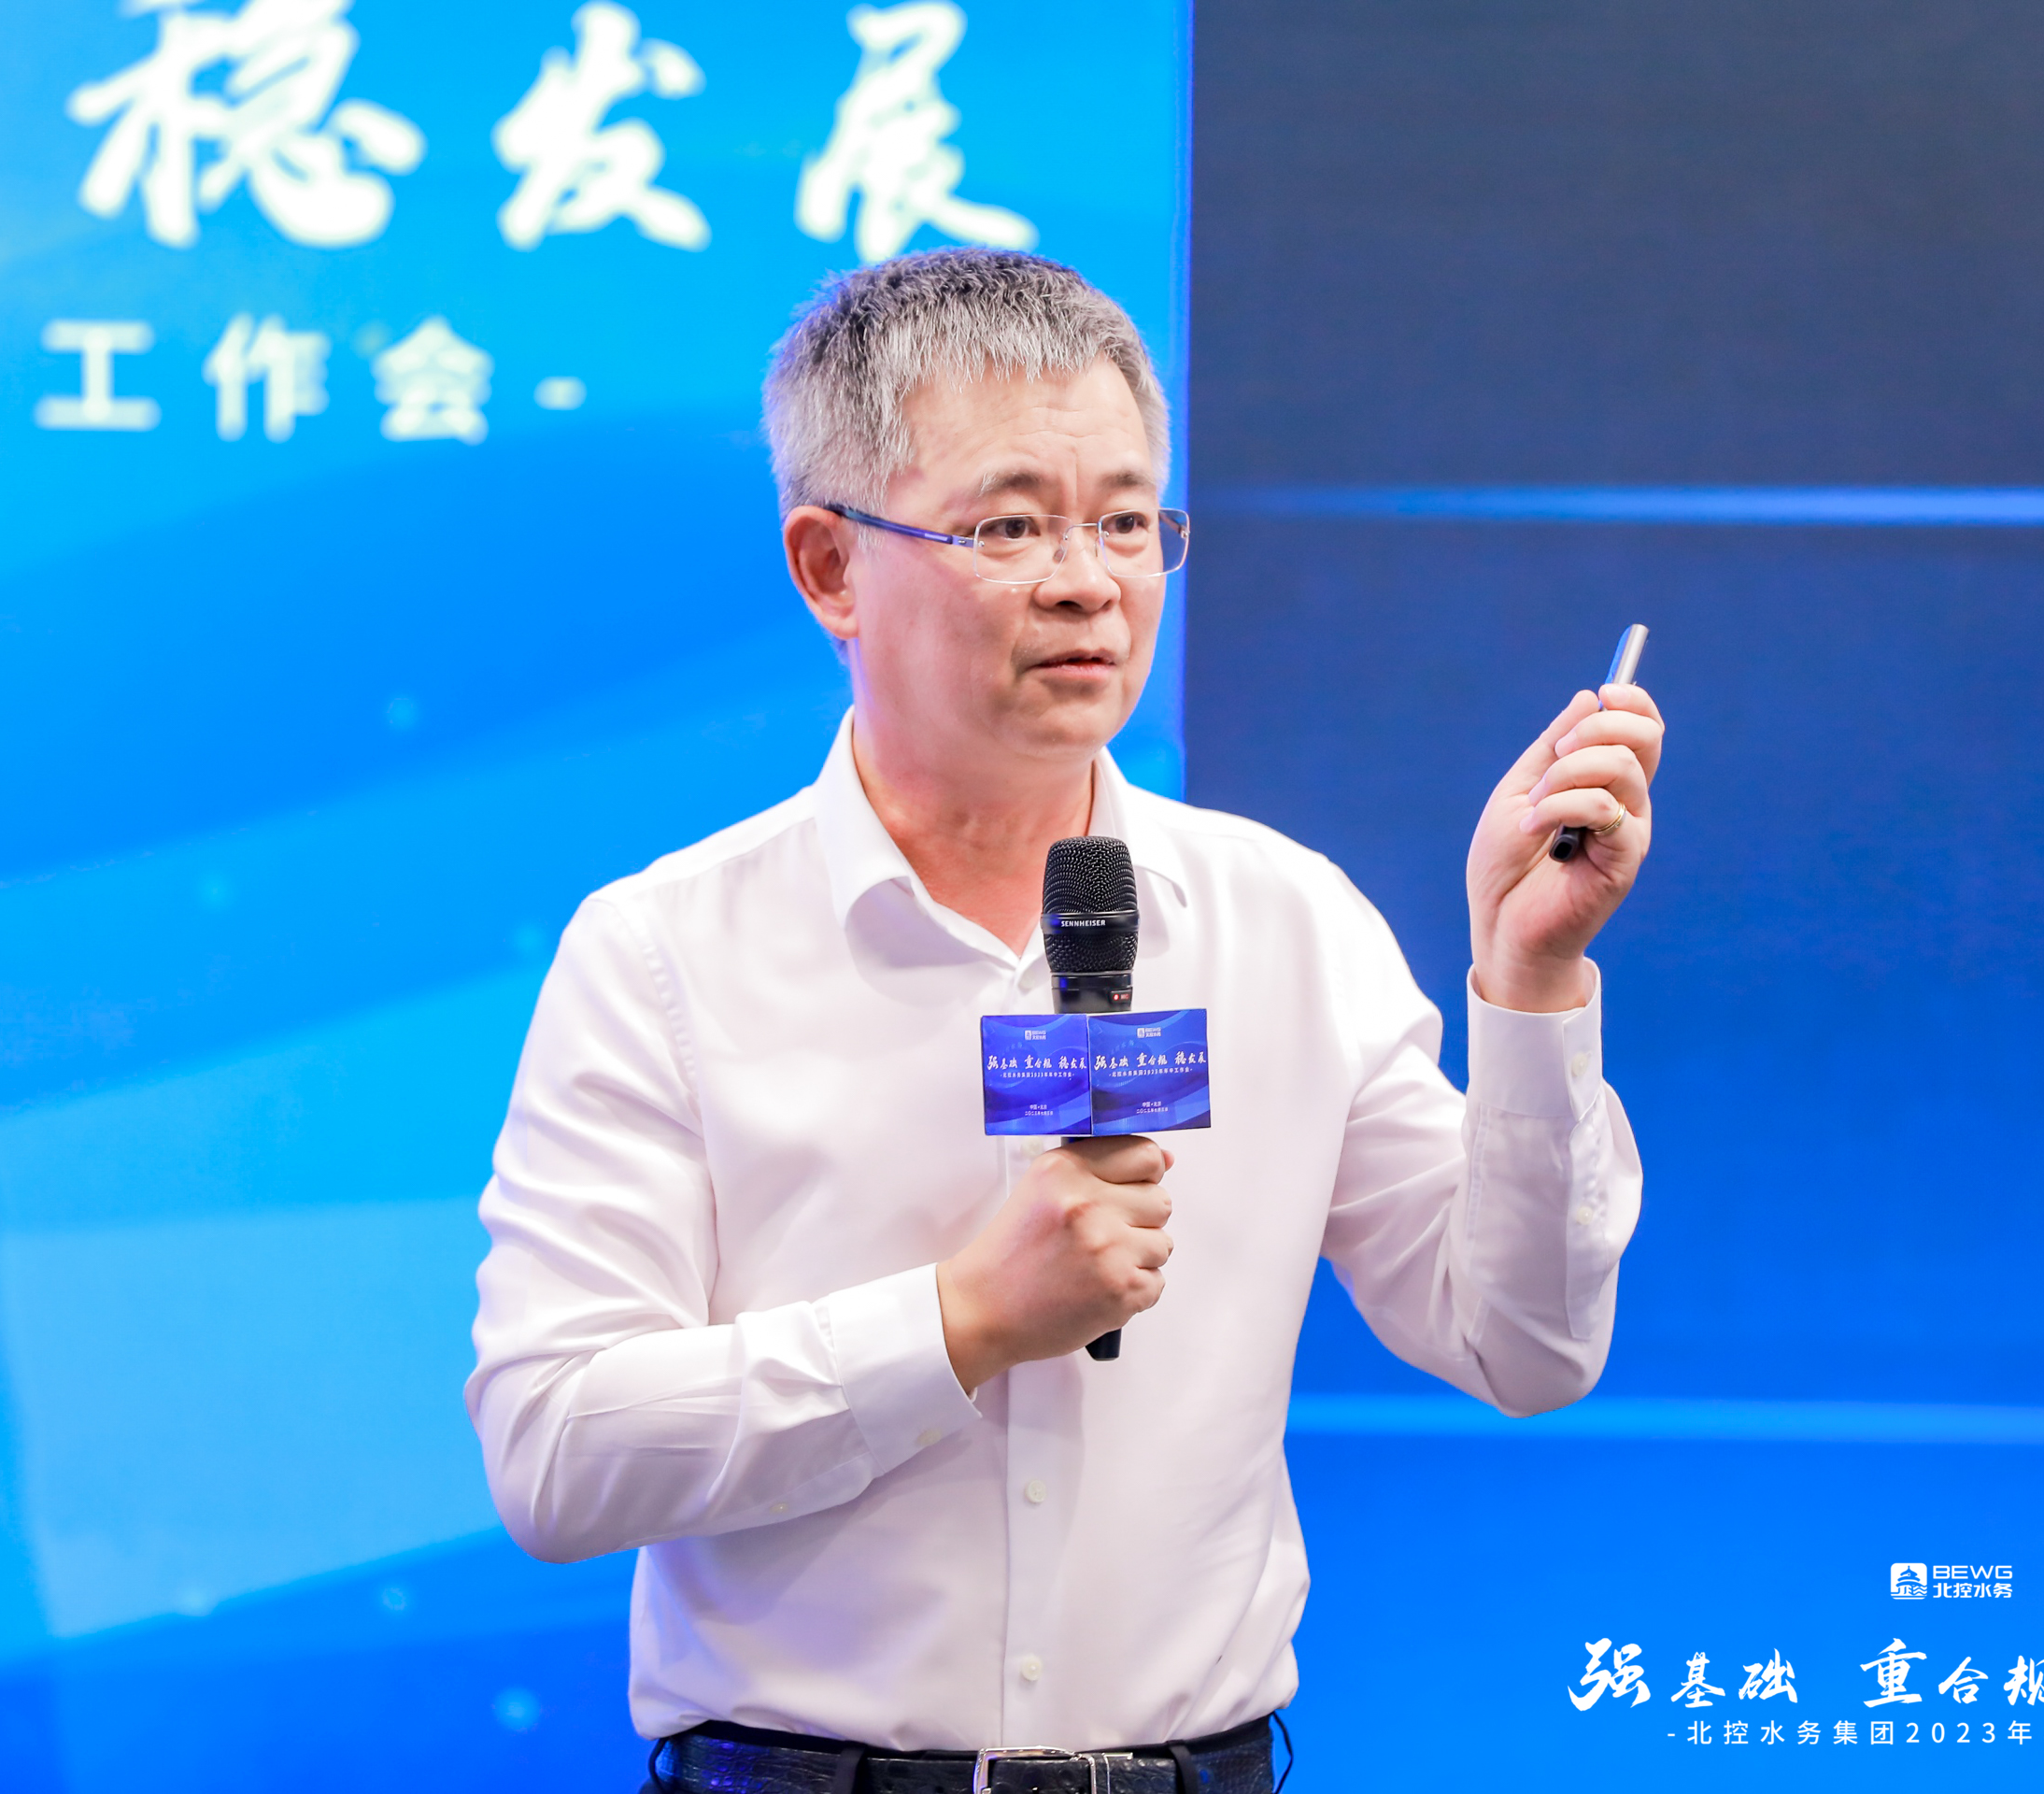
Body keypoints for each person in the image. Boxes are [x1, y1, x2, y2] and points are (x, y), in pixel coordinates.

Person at [466, 249, 1661, 1794]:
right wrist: (955, 1324)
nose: (1088, 580)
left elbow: (1526, 1344)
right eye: (1010, 525)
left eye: (1127, 522)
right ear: (830, 568)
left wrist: (1531, 981)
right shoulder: (664, 954)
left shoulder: (1286, 921)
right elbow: (557, 1452)